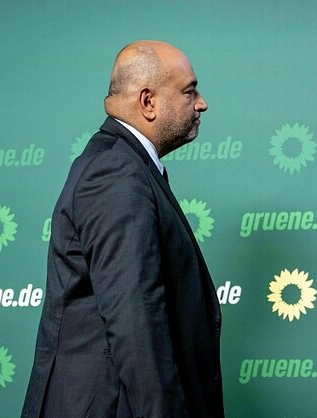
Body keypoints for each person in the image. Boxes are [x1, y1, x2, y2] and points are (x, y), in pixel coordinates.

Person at [22, 41, 224, 418]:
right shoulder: (117, 173)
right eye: (189, 90)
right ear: (148, 102)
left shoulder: (123, 165)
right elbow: (135, 318)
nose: (201, 103)